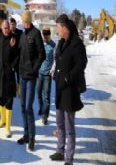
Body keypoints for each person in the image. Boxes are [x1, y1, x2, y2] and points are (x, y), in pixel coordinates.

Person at [49, 14, 87, 165]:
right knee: (59, 123)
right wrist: (55, 72)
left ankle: (68, 159)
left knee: (69, 126)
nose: (57, 31)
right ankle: (60, 151)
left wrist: (67, 78)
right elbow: (58, 61)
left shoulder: (77, 44)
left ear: (64, 28)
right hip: (59, 89)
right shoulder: (61, 42)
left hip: (70, 91)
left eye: (58, 28)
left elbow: (81, 64)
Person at [17, 10, 45, 151]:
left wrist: (35, 70)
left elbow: (42, 54)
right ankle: (26, 134)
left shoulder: (36, 34)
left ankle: (32, 137)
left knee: (28, 108)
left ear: (28, 21)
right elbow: (20, 53)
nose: (22, 23)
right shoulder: (23, 34)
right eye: (22, 21)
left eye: (24, 21)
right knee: (22, 107)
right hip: (22, 76)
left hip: (31, 77)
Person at [0, 20, 18, 138]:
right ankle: (2, 120)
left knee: (9, 100)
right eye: (5, 28)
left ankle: (8, 127)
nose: (7, 30)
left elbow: (17, 56)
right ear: (1, 28)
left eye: (8, 28)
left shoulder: (13, 39)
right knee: (0, 98)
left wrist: (12, 67)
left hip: (9, 75)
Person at [36, 28, 56, 125]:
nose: (45, 38)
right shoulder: (40, 44)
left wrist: (52, 70)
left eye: (47, 36)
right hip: (39, 73)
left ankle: (45, 116)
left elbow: (55, 60)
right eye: (44, 36)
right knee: (38, 93)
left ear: (49, 35)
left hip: (47, 75)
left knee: (46, 97)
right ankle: (41, 108)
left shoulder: (53, 45)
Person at [9, 17, 23, 96]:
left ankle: (19, 91)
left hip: (18, 57)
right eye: (11, 25)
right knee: (11, 76)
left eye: (13, 25)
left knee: (19, 76)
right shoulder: (8, 33)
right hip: (11, 58)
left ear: (16, 25)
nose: (12, 26)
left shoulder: (20, 33)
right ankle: (12, 90)